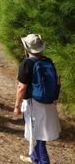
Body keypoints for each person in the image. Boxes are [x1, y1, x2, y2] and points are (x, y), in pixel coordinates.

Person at [14, 34, 61, 164]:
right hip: (48, 103)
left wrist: (17, 105)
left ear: (27, 48)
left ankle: (43, 161)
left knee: (38, 136)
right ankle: (35, 158)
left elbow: (21, 87)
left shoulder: (27, 63)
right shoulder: (48, 61)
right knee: (36, 133)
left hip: (34, 104)